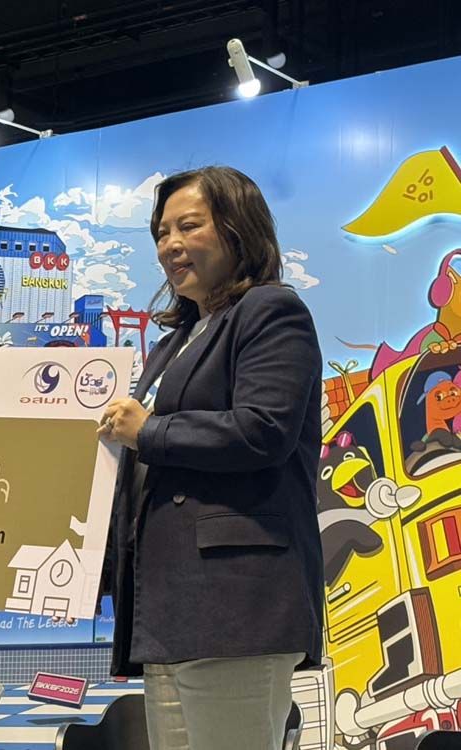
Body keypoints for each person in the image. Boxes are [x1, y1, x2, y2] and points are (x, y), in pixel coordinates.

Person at [98, 166, 324, 750]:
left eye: (189, 226)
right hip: (169, 609)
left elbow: (263, 429)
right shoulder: (176, 341)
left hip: (236, 605)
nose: (170, 244)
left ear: (238, 229)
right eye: (161, 232)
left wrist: (150, 431)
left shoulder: (272, 311)